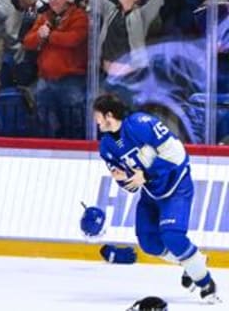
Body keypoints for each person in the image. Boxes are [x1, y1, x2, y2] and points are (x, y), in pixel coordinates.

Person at [92, 93, 218, 302]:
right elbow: (131, 187)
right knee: (149, 243)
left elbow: (177, 154)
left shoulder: (141, 123)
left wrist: (147, 174)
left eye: (97, 115)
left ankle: (206, 284)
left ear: (109, 115)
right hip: (151, 194)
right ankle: (193, 263)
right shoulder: (106, 146)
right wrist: (125, 179)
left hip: (177, 186)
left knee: (172, 236)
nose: (95, 121)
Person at [20, 0, 89, 139]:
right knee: (43, 121)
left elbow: (74, 39)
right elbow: (28, 41)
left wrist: (49, 36)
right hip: (46, 78)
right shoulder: (45, 17)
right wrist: (39, 35)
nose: (52, 0)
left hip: (71, 79)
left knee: (74, 121)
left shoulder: (79, 16)